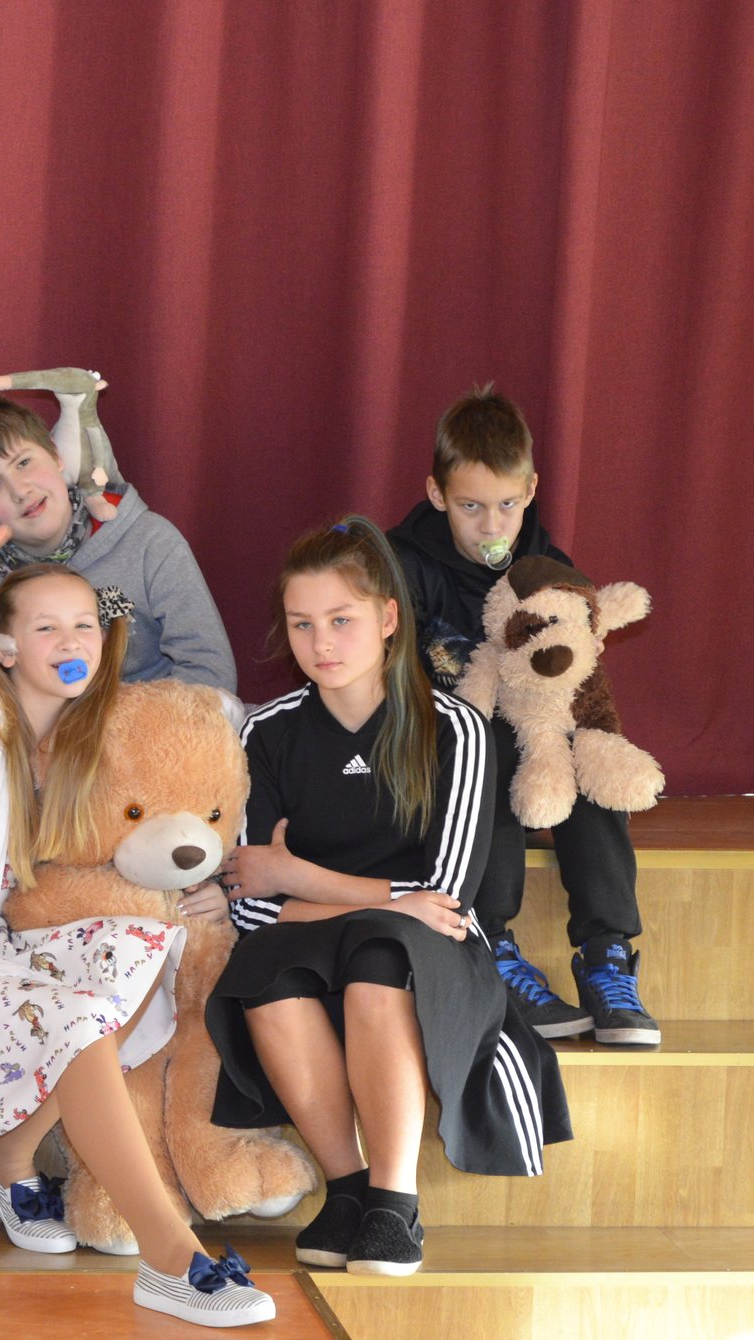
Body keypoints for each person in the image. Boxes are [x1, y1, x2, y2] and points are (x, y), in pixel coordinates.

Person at [0, 498, 275, 1330]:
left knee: (143, 942)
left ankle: (8, 1157)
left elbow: (142, 837)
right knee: (76, 1015)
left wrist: (208, 884)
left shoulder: (81, 739)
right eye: (47, 628)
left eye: (85, 625)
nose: (71, 642)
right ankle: (172, 1257)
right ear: (5, 646)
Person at [208, 517, 571, 1280]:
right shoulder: (265, 734)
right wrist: (383, 899)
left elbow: (448, 901)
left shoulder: (457, 729)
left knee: (380, 956)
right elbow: (250, 906)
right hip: (323, 937)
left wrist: (297, 878)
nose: (321, 643)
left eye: (341, 620)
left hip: (428, 952)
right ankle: (346, 1190)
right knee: (263, 969)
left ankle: (394, 1202)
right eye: (302, 624)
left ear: (387, 618)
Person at [388, 386, 658, 1047]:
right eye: (470, 506)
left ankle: (606, 952)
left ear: (531, 490)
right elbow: (399, 684)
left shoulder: (549, 567)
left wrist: (586, 731)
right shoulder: (403, 565)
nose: (491, 526)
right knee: (492, 749)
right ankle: (492, 944)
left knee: (586, 751)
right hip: (443, 744)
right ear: (436, 493)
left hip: (536, 740)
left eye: (507, 505)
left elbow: (577, 677)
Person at [0, 394, 235, 692]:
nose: (20, 491)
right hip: (34, 725)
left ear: (56, 454)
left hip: (152, 717)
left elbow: (212, 673)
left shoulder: (150, 541)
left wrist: (119, 723)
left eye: (23, 463)